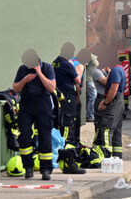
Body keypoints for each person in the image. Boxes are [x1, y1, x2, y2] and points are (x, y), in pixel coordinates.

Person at [12, 48, 57, 181]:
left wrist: (39, 73)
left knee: (45, 138)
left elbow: (52, 87)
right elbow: (15, 88)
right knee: (24, 136)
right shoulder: (22, 69)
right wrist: (25, 80)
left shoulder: (47, 68)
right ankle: (28, 168)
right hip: (27, 105)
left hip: (43, 106)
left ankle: (46, 170)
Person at [51, 42, 85, 174]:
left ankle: (61, 152)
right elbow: (78, 80)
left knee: (59, 123)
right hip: (67, 96)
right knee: (68, 125)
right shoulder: (66, 64)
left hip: (57, 96)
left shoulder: (54, 63)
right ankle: (67, 157)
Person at [92, 45, 126, 160]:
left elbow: (114, 89)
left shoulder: (116, 71)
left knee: (106, 129)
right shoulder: (118, 69)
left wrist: (105, 103)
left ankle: (107, 156)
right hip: (119, 102)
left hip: (114, 102)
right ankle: (117, 156)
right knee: (116, 130)